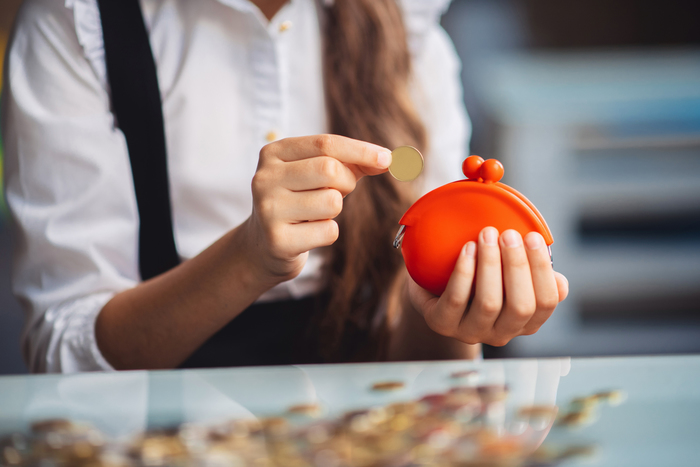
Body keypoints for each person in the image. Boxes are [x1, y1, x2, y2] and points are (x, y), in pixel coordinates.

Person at [2, 0, 568, 373]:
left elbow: (420, 354)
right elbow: (62, 353)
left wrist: (456, 324)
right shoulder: (78, 21)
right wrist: (247, 258)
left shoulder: (407, 20)